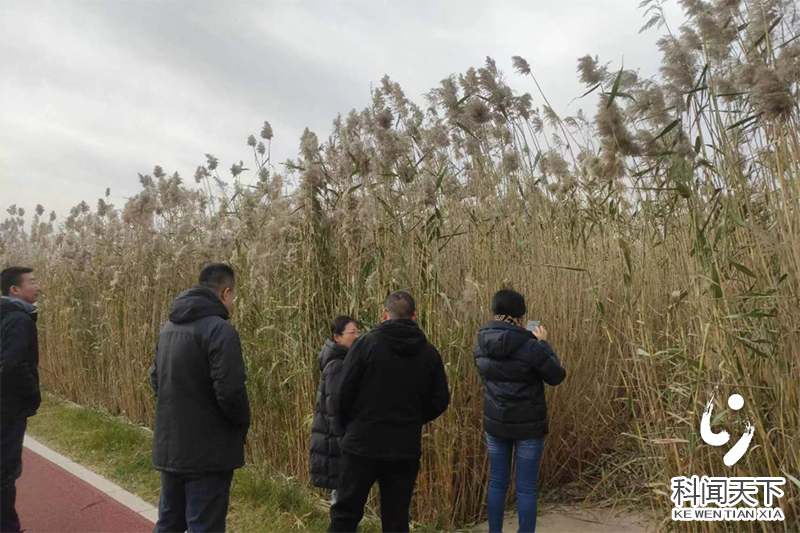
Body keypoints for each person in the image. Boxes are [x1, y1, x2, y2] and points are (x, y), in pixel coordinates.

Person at [329, 291, 450, 533]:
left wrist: (348, 428)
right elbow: (440, 400)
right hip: (404, 447)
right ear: (414, 318)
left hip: (362, 443)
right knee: (396, 519)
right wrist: (413, 419)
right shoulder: (429, 352)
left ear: (385, 314)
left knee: (345, 515)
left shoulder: (365, 345)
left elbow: (342, 393)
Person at [150, 263, 250, 533]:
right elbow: (230, 392)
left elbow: (156, 380)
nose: (233, 302)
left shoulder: (168, 328)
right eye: (234, 295)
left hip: (171, 445)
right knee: (204, 525)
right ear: (226, 292)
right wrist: (241, 426)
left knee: (169, 522)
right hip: (208, 452)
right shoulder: (220, 330)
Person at [474, 289, 566, 533]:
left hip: (496, 422)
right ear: (520, 314)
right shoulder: (531, 345)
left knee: (497, 482)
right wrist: (544, 343)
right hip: (528, 425)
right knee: (525, 488)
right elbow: (556, 376)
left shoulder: (481, 342)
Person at [0, 267, 41, 533]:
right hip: (8, 407)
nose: (37, 286)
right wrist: (32, 394)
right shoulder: (18, 319)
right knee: (5, 470)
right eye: (32, 282)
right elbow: (13, 365)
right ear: (14, 289)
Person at [310, 316, 360, 505]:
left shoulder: (343, 361)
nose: (357, 336)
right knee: (342, 496)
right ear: (337, 337)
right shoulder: (337, 366)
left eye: (358, 332)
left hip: (337, 438)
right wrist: (346, 441)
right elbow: (334, 409)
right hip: (337, 440)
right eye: (352, 332)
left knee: (342, 493)